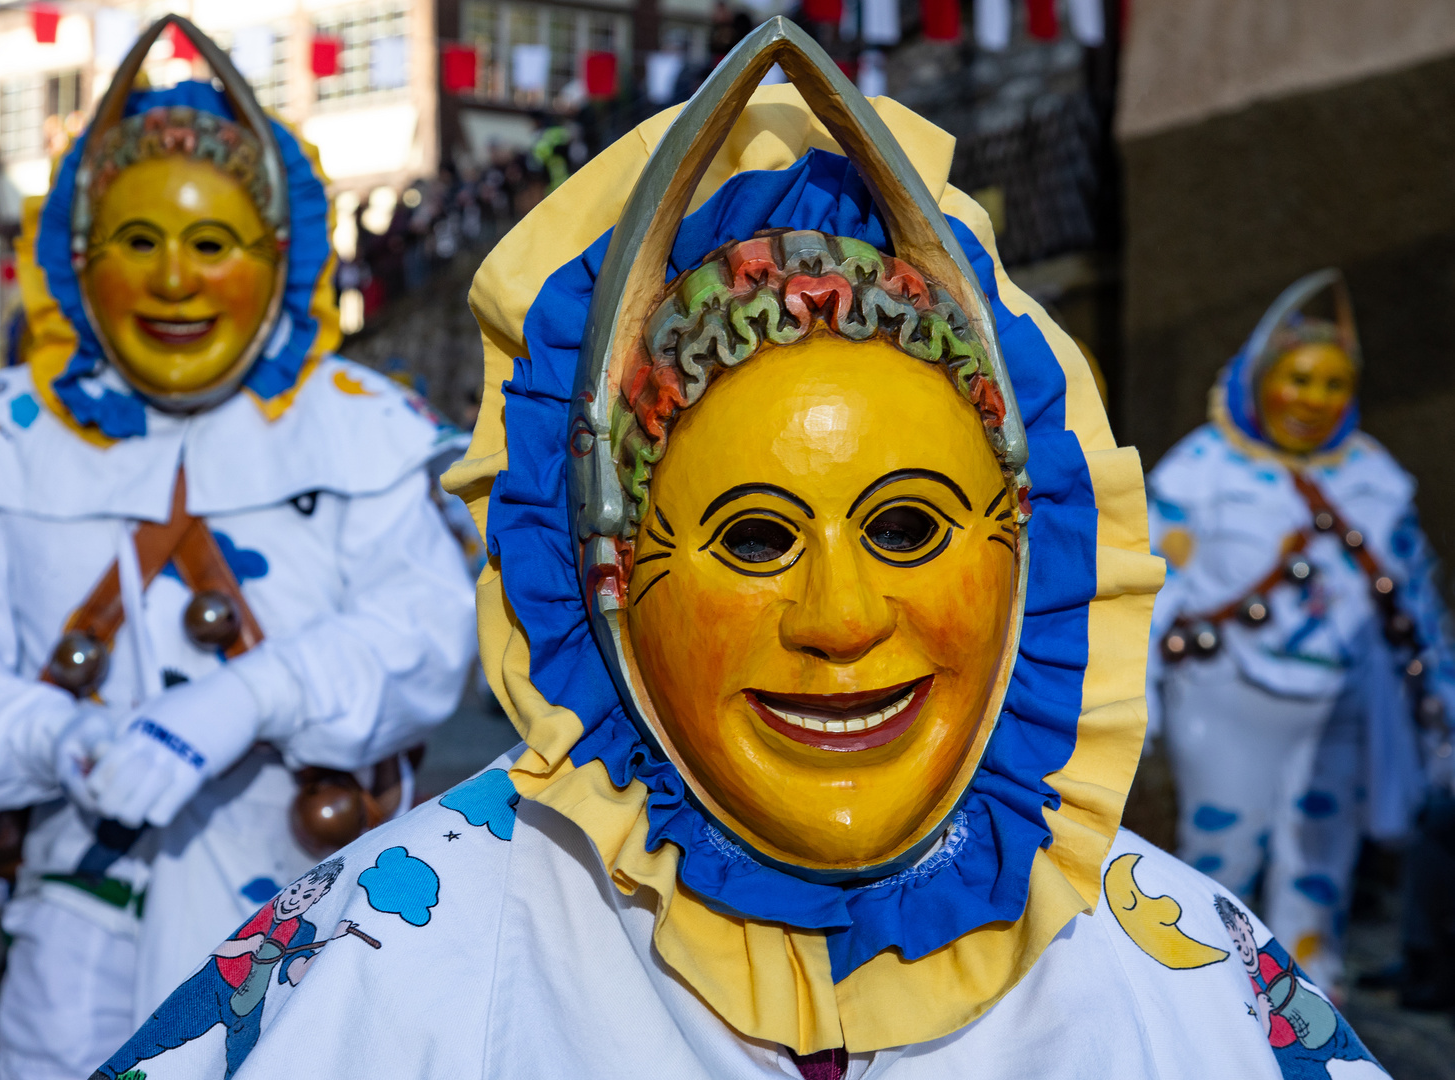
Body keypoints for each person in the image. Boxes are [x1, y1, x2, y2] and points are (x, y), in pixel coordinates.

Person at [100, 20, 1388, 1079]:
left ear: (1028, 550)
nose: (840, 617)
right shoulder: (401, 962)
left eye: (905, 526)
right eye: (754, 538)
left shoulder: (1175, 978)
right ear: (595, 586)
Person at [0, 17, 474, 1080]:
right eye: (140, 244)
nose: (175, 282)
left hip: (319, 940)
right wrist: (65, 742)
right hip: (72, 948)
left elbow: (423, 636)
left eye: (210, 245)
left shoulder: (359, 427)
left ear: (275, 260)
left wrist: (255, 694)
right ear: (81, 262)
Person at [1146, 270, 1455, 998]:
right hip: (1225, 703)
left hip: (1341, 705)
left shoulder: (1375, 476)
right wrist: (1135, 697)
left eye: (1333, 383)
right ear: (1262, 378)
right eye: (1300, 379)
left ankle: (1307, 1011)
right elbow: (1153, 585)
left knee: (1320, 867)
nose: (1314, 400)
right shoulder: (1198, 470)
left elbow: (1418, 598)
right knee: (1221, 857)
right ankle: (1211, 1001)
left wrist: (1442, 702)